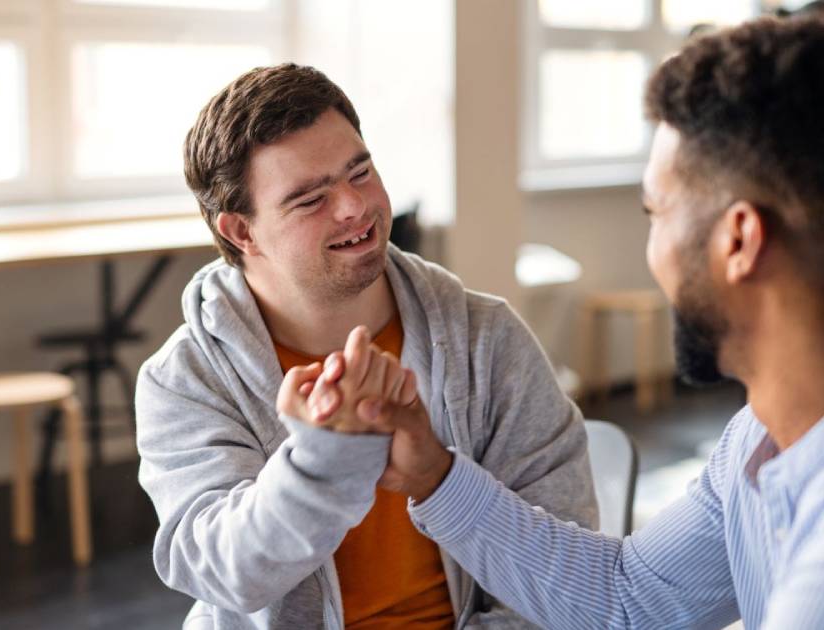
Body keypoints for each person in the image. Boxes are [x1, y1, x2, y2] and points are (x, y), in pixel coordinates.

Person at [286, 16, 824, 630]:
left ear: (739, 240)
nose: (650, 249)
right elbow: (633, 600)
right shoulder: (769, 430)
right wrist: (435, 474)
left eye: (655, 214)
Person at [134, 62, 597, 629]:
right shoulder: (185, 377)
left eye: (360, 172)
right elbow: (224, 572)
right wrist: (324, 460)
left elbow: (564, 570)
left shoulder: (488, 338)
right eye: (310, 199)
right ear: (241, 231)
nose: (354, 207)